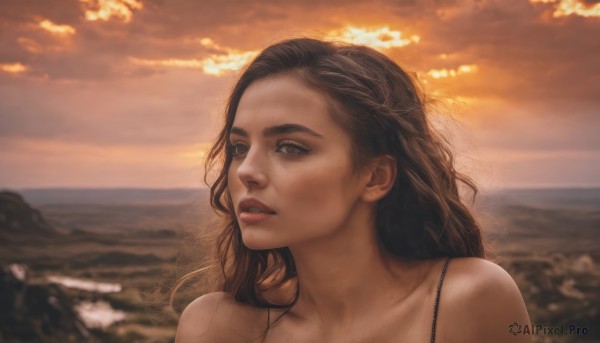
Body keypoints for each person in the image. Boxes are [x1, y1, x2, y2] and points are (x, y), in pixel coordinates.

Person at [174, 37, 532, 342]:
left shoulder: (469, 299)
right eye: (239, 148)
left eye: (290, 147)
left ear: (376, 176)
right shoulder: (218, 327)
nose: (247, 171)